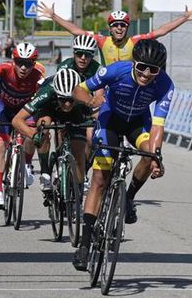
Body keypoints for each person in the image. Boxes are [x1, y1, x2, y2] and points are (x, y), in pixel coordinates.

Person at [70, 39, 171, 271]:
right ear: (133, 63)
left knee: (150, 155)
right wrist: (91, 101)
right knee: (99, 179)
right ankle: (84, 245)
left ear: (160, 70)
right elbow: (79, 89)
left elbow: (158, 126)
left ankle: (129, 197)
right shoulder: (116, 70)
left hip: (138, 123)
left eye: (153, 70)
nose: (146, 74)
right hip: (110, 121)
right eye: (141, 67)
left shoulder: (166, 85)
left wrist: (156, 157)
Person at [12, 69, 92, 199]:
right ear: (57, 93)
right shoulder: (47, 92)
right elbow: (17, 120)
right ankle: (45, 174)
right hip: (48, 107)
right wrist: (34, 135)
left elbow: (98, 115)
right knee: (43, 127)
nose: (66, 104)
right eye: (63, 99)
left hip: (76, 112)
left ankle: (77, 189)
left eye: (71, 100)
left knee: (80, 148)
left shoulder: (83, 91)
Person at [0, 42, 46, 208]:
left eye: (28, 64)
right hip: (5, 108)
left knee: (32, 134)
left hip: (25, 111)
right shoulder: (6, 68)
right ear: (14, 61)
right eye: (20, 63)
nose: (23, 68)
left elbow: (43, 95)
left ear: (34, 63)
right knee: (0, 145)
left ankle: (27, 164)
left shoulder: (38, 75)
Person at [37, 5, 192, 66]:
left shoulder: (135, 40)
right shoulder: (102, 41)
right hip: (108, 87)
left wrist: (185, 18)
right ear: (110, 28)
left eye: (123, 25)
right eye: (116, 25)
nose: (120, 28)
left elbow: (161, 31)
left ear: (127, 27)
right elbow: (76, 31)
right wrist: (54, 16)